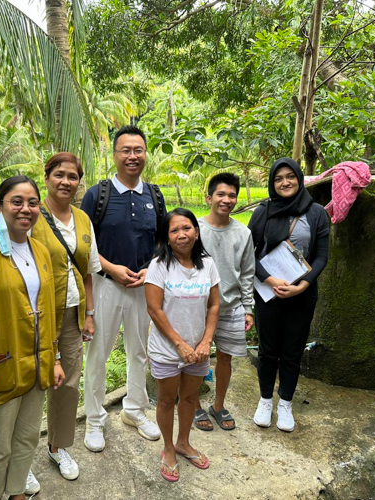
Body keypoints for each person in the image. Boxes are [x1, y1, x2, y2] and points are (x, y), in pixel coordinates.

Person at [0, 176, 64, 500]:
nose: (26, 209)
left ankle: (17, 491)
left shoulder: (41, 251)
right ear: (0, 205)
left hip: (37, 365)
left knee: (27, 439)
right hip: (1, 366)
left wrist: (55, 359)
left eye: (32, 202)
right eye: (16, 201)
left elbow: (47, 311)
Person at [80, 125, 166, 451]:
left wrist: (150, 269)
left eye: (138, 150)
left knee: (139, 352)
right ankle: (94, 420)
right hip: (106, 286)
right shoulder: (97, 195)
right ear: (114, 155)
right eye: (125, 150)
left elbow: (163, 242)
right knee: (98, 354)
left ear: (145, 154)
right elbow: (84, 243)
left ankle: (135, 411)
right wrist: (111, 268)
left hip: (143, 288)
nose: (132, 156)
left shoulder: (154, 196)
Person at [26, 153, 101, 490]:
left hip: (72, 315)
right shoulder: (31, 216)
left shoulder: (83, 219)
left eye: (72, 176)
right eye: (59, 174)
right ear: (47, 178)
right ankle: (21, 460)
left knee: (68, 385)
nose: (66, 181)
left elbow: (87, 270)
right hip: (35, 316)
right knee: (31, 386)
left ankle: (58, 447)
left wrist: (88, 314)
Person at [248, 158, 329, 432]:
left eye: (290, 176)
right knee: (268, 350)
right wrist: (269, 280)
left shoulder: (317, 213)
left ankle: (285, 403)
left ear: (299, 178)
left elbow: (321, 256)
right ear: (272, 183)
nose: (285, 182)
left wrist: (303, 285)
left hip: (302, 295)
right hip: (268, 293)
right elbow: (249, 252)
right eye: (278, 178)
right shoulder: (264, 212)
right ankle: (265, 400)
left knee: (292, 352)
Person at [145, 208, 221, 481]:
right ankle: (168, 448)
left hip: (198, 349)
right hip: (168, 349)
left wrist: (205, 342)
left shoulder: (207, 264)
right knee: (167, 400)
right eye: (174, 230)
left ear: (196, 232)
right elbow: (154, 310)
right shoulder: (159, 266)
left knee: (190, 397)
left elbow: (214, 305)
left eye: (186, 228)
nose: (181, 235)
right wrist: (179, 344)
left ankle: (183, 442)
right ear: (166, 237)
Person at [193, 173, 255, 431]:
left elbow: (248, 272)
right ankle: (194, 405)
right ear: (209, 197)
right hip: (198, 307)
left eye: (231, 195)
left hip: (231, 306)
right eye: (221, 194)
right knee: (195, 359)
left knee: (226, 359)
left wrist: (248, 308)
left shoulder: (244, 233)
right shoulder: (194, 229)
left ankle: (218, 405)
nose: (226, 200)